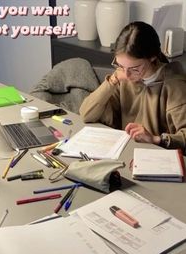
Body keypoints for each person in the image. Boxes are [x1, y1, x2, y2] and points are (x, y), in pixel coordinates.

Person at [79, 21, 186, 154]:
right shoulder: (122, 76)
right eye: (120, 66)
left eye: (134, 68)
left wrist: (156, 139)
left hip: (157, 159)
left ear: (152, 57)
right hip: (126, 152)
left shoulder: (174, 85)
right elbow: (86, 114)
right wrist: (113, 81)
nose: (127, 74)